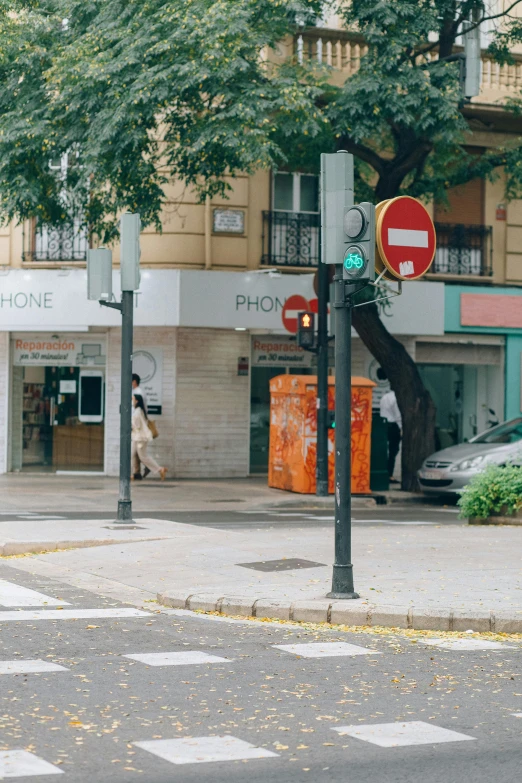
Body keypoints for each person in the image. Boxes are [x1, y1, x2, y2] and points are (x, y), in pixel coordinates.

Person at [131, 394, 167, 482]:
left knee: (143, 457)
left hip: (141, 438)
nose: (132, 401)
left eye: (133, 399)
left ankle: (160, 469)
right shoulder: (139, 411)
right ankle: (131, 474)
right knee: (132, 455)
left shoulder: (138, 411)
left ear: (137, 401)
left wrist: (130, 424)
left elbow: (137, 425)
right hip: (136, 438)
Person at [380, 388, 402, 483]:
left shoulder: (385, 397)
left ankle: (384, 472)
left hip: (383, 424)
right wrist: (401, 427)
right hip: (393, 425)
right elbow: (397, 415)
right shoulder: (395, 398)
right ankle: (390, 474)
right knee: (393, 450)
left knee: (384, 450)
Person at [131, 373, 148, 478]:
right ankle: (137, 472)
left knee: (138, 452)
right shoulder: (135, 391)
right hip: (137, 424)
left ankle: (151, 467)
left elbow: (139, 409)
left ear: (134, 381)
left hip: (138, 425)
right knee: (137, 451)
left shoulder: (139, 393)